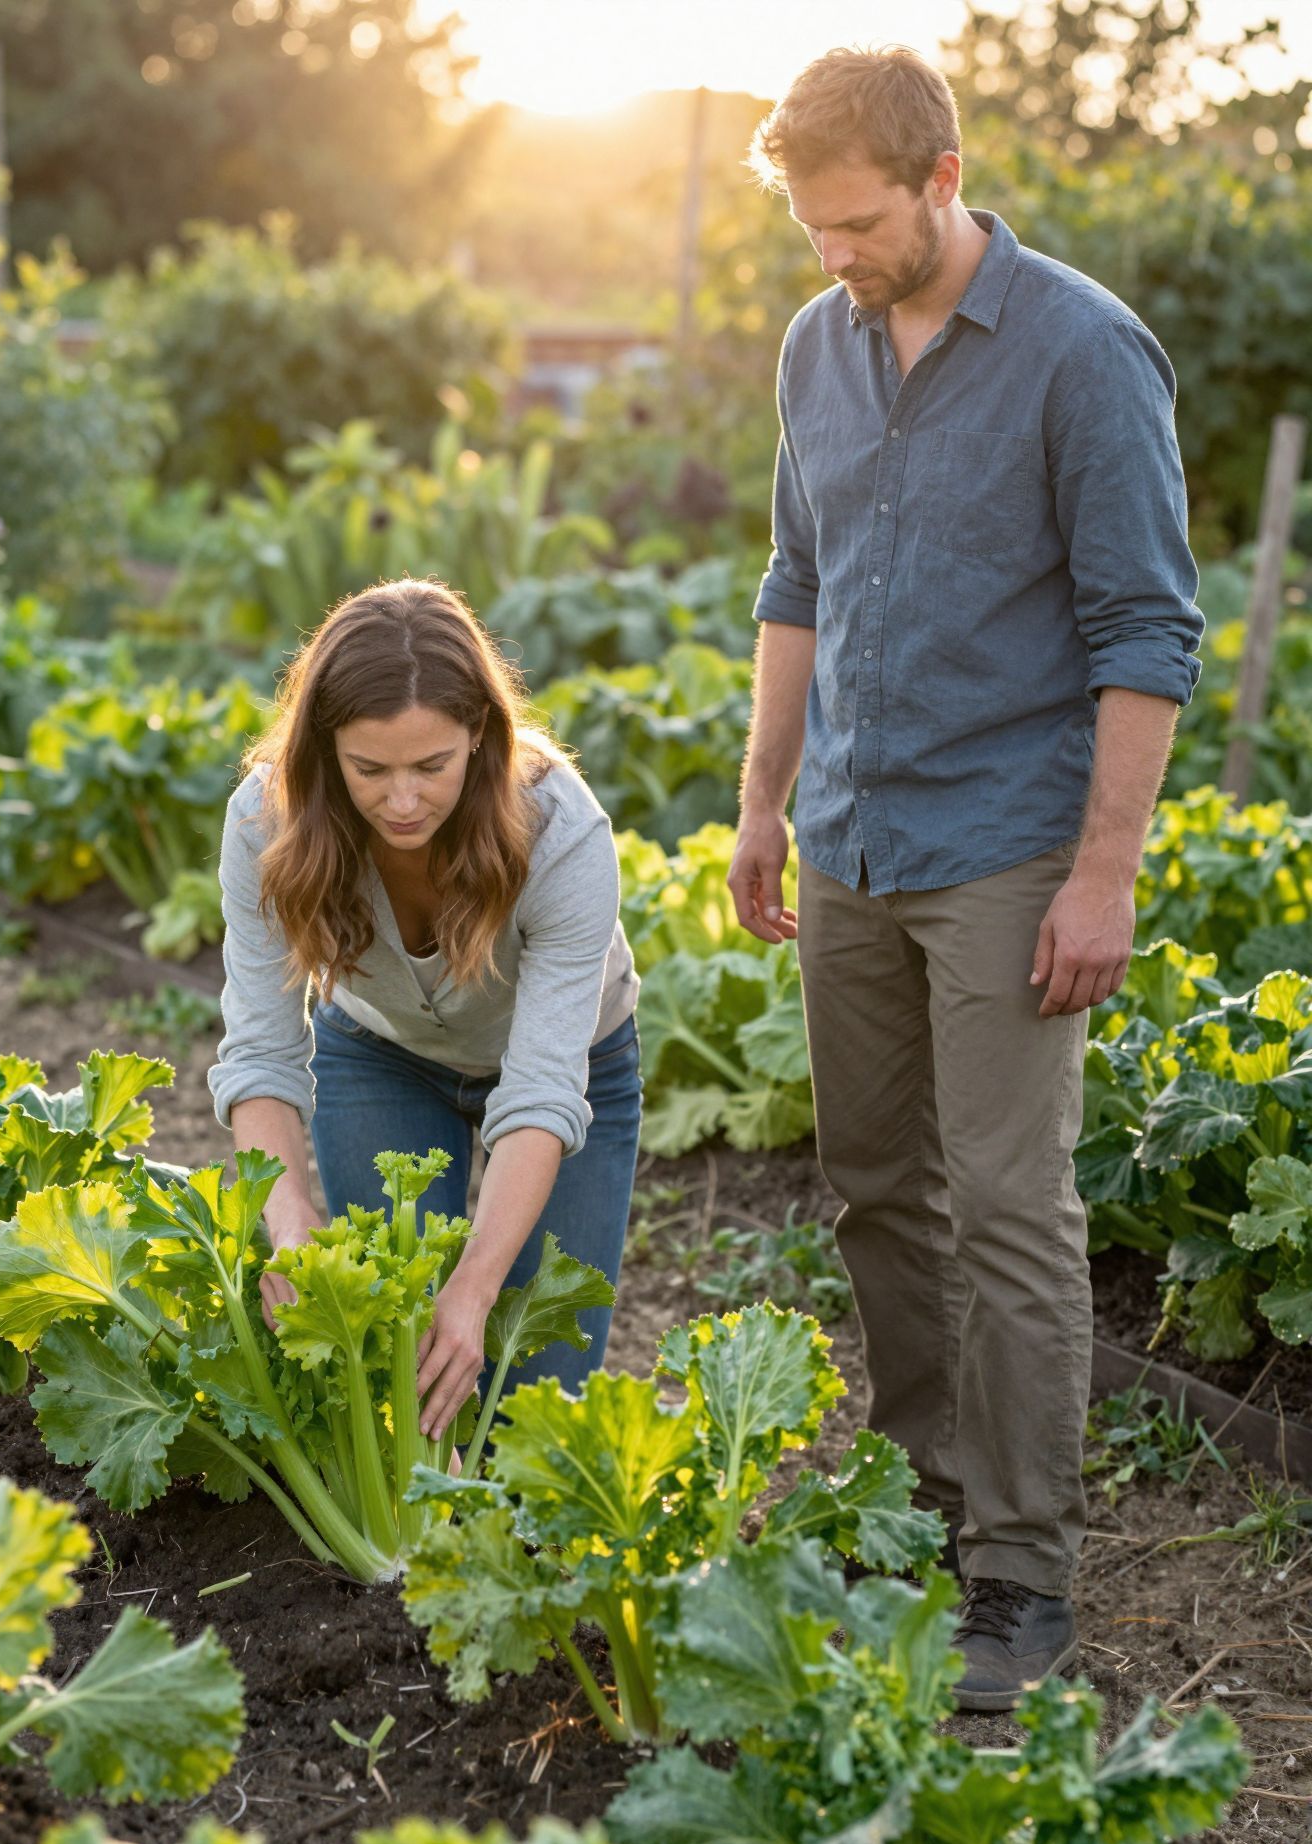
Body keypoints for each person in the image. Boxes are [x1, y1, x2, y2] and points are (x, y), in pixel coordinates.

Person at [727, 46, 1203, 1711]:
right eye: (811, 229)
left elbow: (1147, 629)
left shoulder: (1081, 351)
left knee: (1009, 1205)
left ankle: (1020, 1565)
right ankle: (922, 1484)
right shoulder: (815, 342)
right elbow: (798, 577)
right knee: (871, 1181)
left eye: (856, 222)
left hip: (1007, 846)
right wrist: (763, 797)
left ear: (942, 177)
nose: (833, 254)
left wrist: (1102, 876)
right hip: (850, 832)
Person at [209, 577, 641, 1442]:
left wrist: (476, 1288)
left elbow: (542, 1090)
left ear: (479, 736)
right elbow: (260, 1052)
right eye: (370, 769)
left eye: (431, 767)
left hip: (572, 1068)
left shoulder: (562, 835)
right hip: (379, 1059)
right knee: (399, 1373)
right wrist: (290, 1223)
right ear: (324, 750)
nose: (402, 801)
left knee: (534, 1409)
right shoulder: (267, 821)